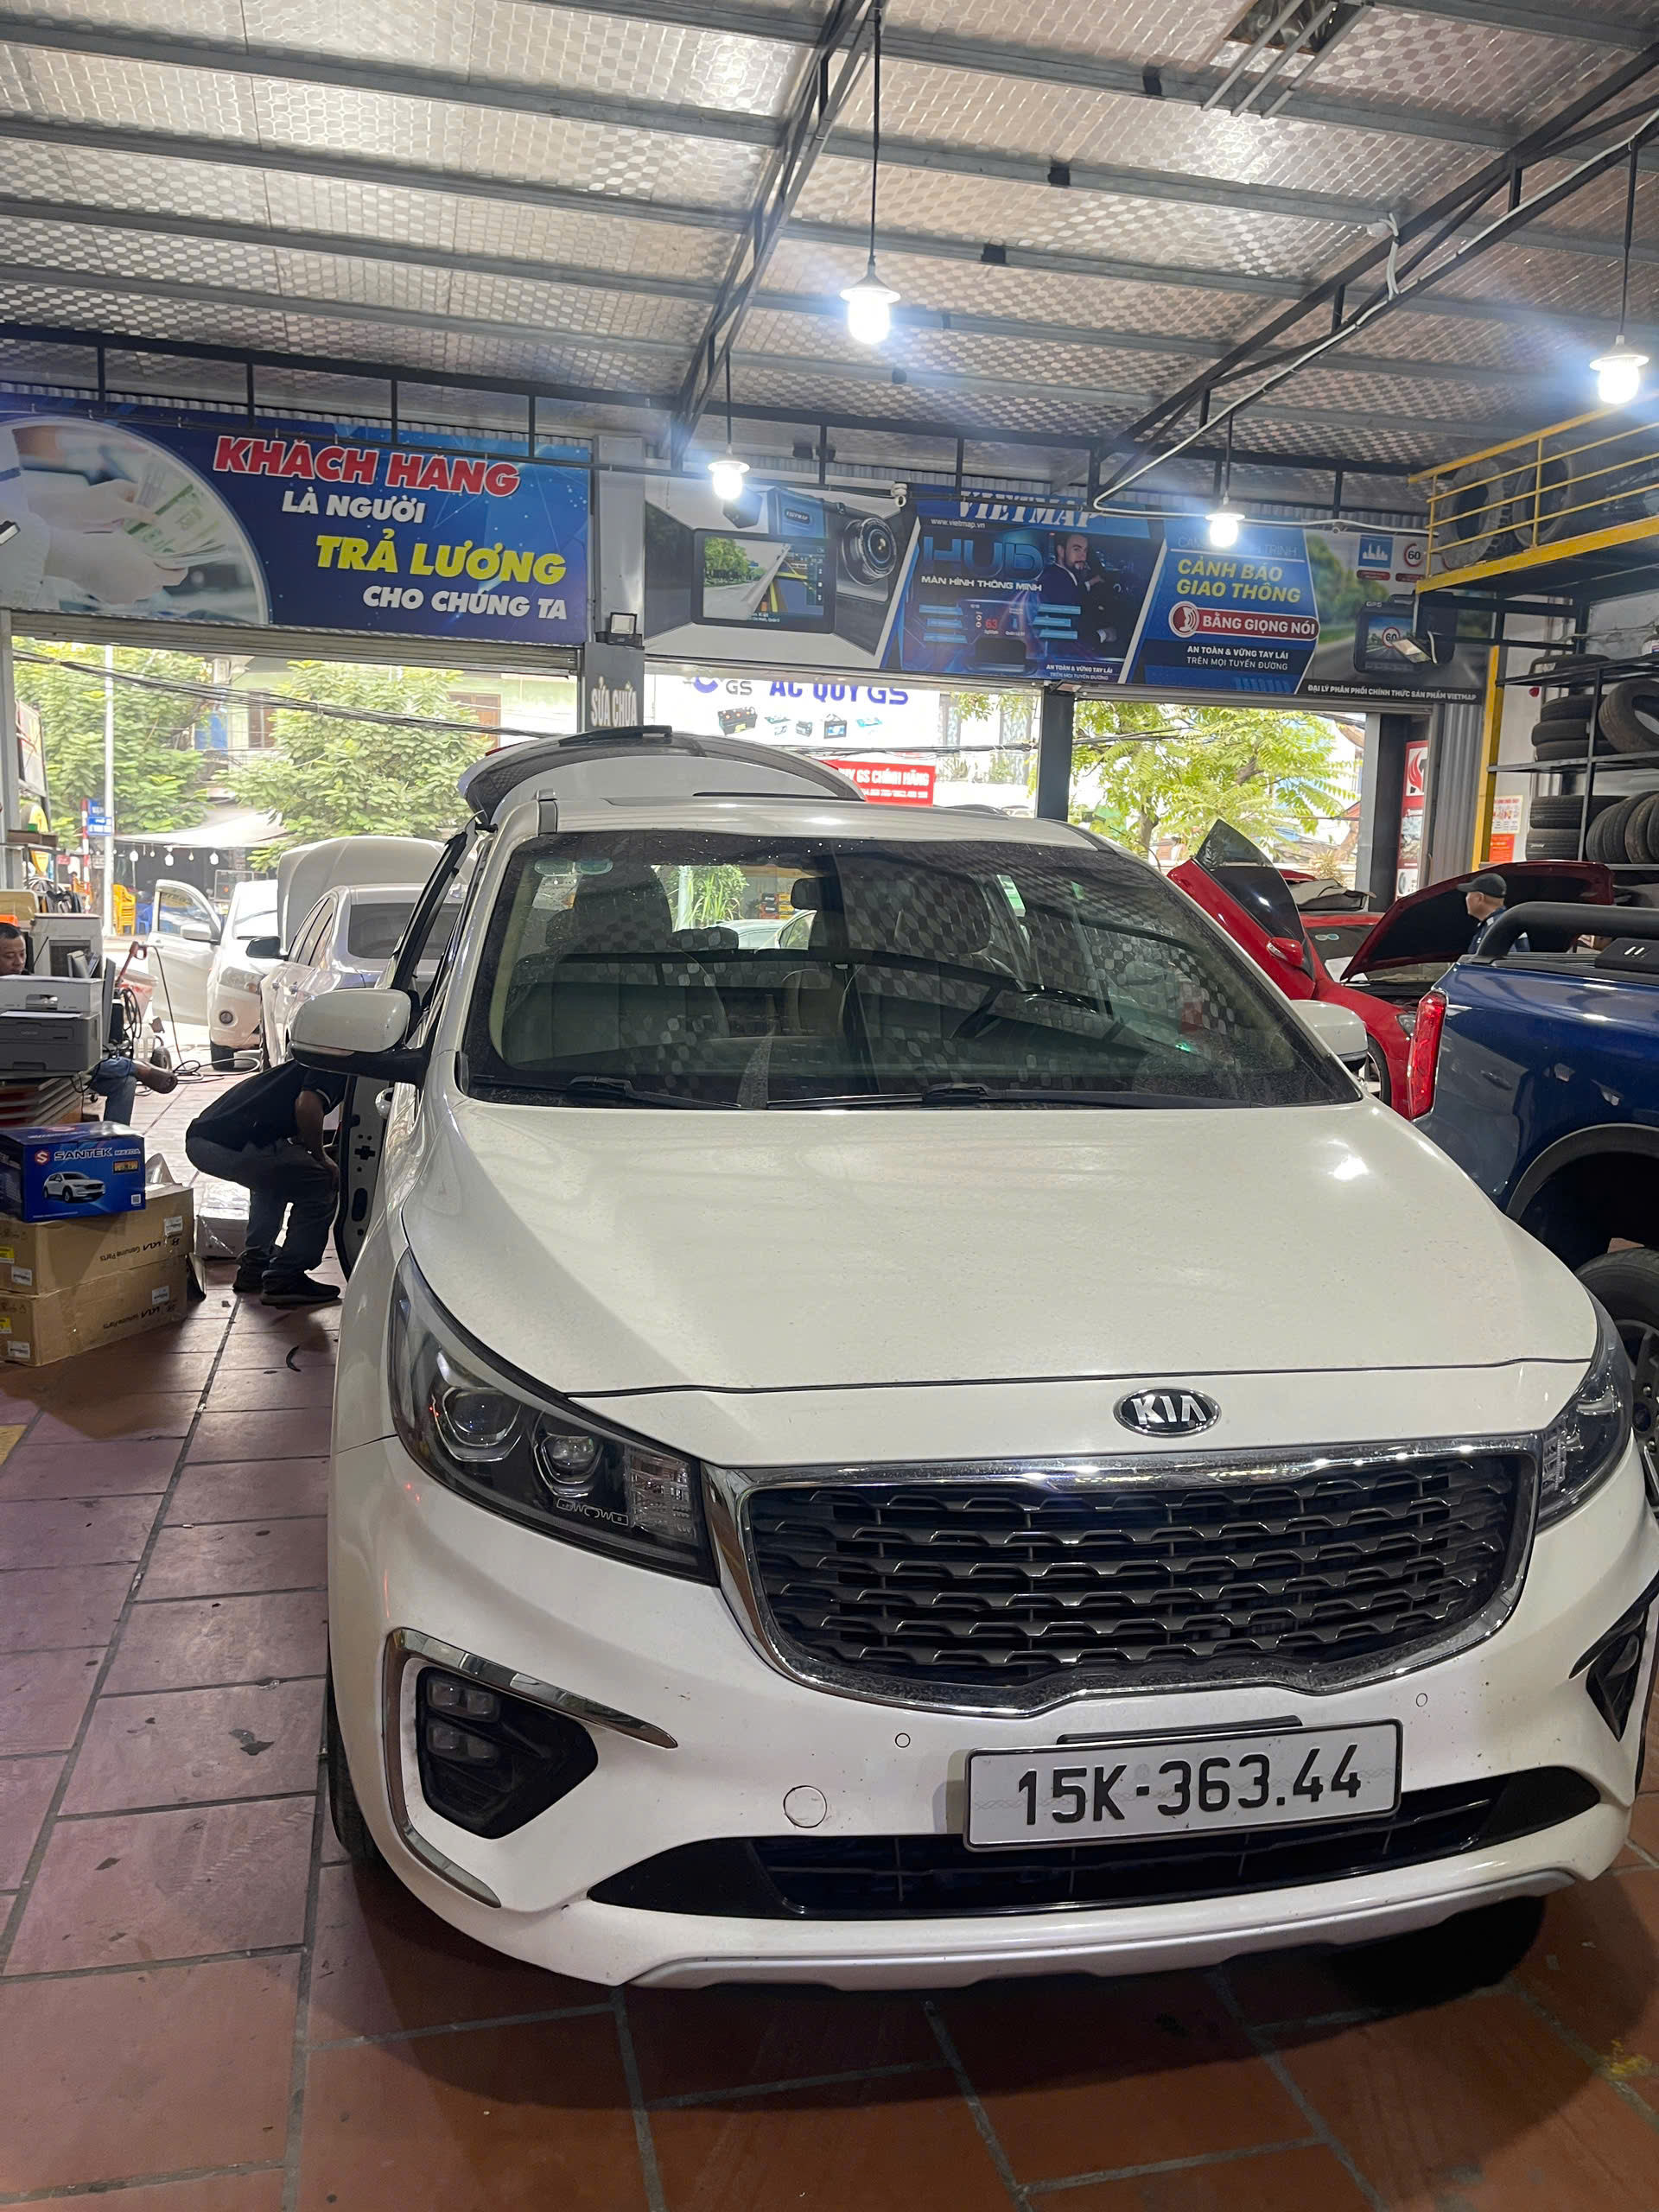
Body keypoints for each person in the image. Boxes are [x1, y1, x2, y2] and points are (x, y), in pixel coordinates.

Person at [184, 1060, 346, 1306]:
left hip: (203, 1140)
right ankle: (286, 1278)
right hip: (230, 1145)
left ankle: (255, 1266)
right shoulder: (336, 1067)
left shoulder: (310, 1060)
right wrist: (320, 1156)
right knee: (322, 1181)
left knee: (275, 1178)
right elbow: (307, 1105)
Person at [0, 919, 176, 1122]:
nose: (18, 962)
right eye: (9, 956)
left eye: (22, 954)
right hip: (16, 1063)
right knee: (87, 1062)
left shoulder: (28, 982)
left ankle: (114, 1139)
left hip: (43, 1056)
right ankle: (134, 1066)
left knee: (124, 1083)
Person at [1465, 871, 1529, 957]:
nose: (1466, 899)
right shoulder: (1499, 921)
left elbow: (1503, 962)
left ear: (1479, 898)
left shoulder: (1499, 927)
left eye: (1468, 894)